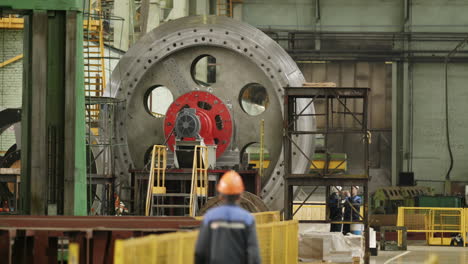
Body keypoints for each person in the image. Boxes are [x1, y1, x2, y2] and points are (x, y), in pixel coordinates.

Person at [195, 170, 261, 264]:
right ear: (240, 195)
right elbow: (253, 253)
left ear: (221, 196)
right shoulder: (247, 219)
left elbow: (200, 251)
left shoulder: (210, 217)